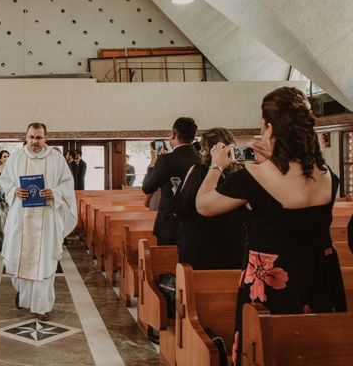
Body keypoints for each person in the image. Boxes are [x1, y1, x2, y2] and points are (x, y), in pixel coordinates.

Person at [196, 87, 346, 365]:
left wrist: (216, 166)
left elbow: (204, 205)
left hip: (272, 287)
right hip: (321, 279)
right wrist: (271, 160)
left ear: (268, 127)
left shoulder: (254, 175)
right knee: (315, 353)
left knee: (267, 354)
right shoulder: (328, 176)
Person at [1, 122, 77, 321]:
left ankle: (42, 307)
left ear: (46, 138)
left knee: (44, 261)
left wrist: (55, 192)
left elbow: (67, 184)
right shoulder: (16, 157)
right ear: (26, 137)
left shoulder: (56, 159)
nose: (35, 142)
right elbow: (5, 181)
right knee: (17, 258)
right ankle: (23, 293)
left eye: (39, 138)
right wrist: (13, 190)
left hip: (47, 217)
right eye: (32, 137)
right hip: (21, 218)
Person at [172, 128, 245, 269]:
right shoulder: (241, 175)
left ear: (206, 150)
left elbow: (181, 210)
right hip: (233, 244)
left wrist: (179, 194)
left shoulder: (199, 171)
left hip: (201, 242)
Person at [142, 118, 201, 245]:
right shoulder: (200, 158)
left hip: (170, 225)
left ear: (173, 133)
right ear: (193, 136)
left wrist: (153, 163)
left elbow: (147, 187)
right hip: (195, 223)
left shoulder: (166, 160)